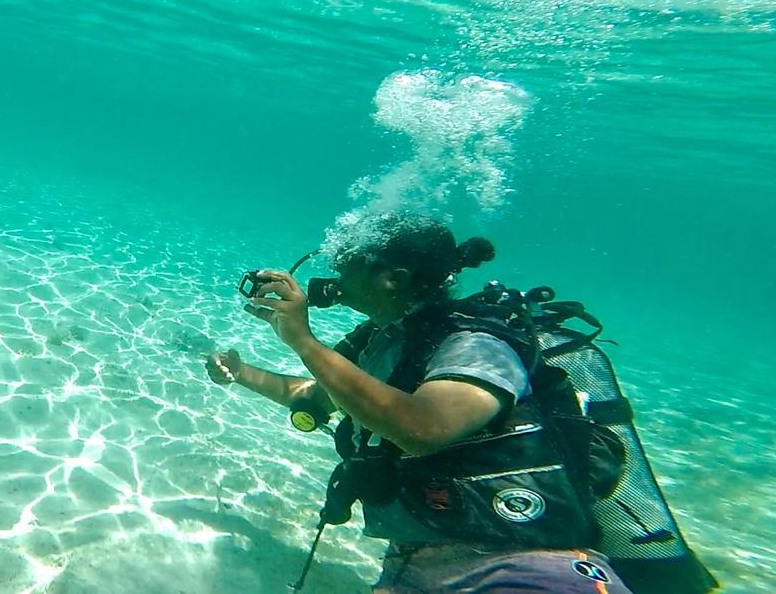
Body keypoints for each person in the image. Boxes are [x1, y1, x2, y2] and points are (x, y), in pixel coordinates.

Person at [206, 213, 636, 594]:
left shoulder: (476, 344)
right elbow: (316, 397)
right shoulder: (380, 341)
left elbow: (424, 428)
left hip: (522, 564)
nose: (334, 281)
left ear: (392, 278)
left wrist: (303, 340)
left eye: (346, 269)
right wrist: (242, 373)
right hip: (412, 563)